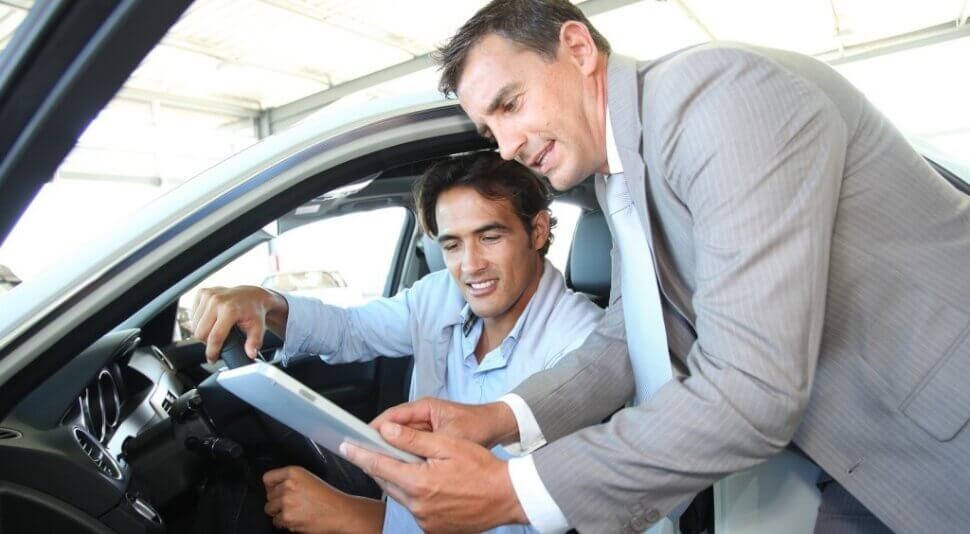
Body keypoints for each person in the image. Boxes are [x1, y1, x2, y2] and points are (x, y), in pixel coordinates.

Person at [338, 1, 970, 533]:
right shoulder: (620, 173)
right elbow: (627, 337)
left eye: (510, 104)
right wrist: (496, 419)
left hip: (943, 430)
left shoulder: (716, 101)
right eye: (489, 130)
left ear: (578, 49)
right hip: (860, 451)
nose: (507, 147)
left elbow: (753, 389)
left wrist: (514, 490)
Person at [191, 151, 604, 533]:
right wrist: (268, 303)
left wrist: (359, 518)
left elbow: (531, 514)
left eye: (490, 237)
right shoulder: (440, 294)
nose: (470, 266)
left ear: (537, 231)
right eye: (453, 245)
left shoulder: (583, 344)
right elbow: (351, 330)